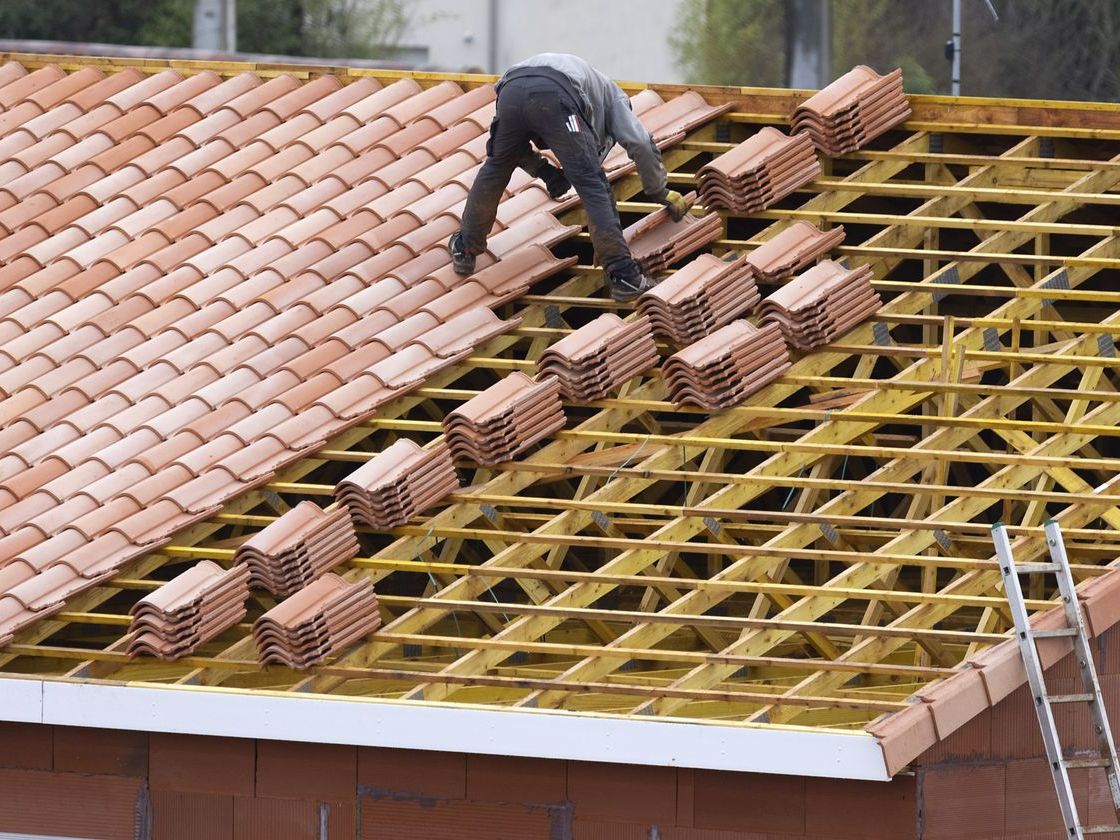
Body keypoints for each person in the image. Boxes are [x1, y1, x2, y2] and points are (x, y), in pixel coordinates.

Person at [448, 52, 690, 302]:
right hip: (555, 93)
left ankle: (466, 246)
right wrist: (659, 190)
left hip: (511, 90)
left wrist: (548, 174)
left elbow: (514, 149)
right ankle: (623, 274)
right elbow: (640, 143)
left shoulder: (587, 86)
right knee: (593, 184)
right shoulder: (615, 99)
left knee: (496, 167)